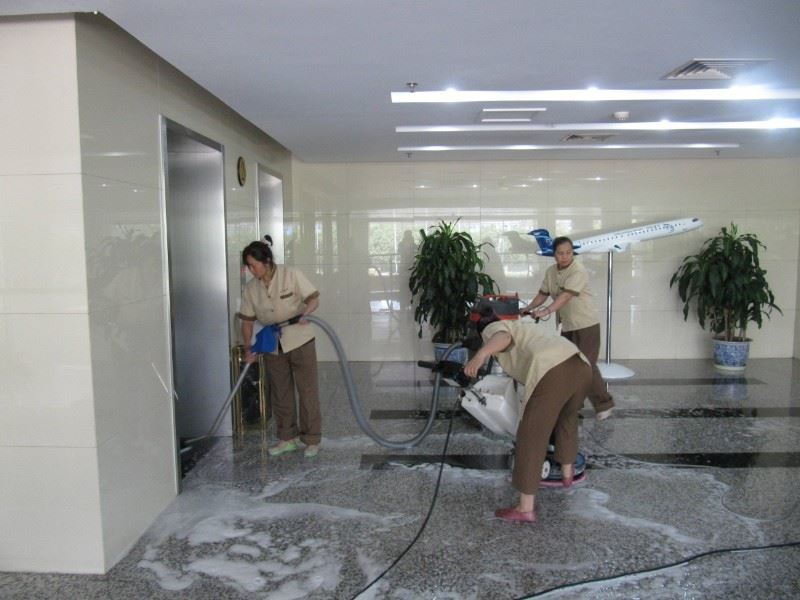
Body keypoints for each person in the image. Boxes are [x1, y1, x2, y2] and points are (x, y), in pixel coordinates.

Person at [464, 302, 592, 523]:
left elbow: (502, 337)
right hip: (581, 366)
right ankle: (567, 476)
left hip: (553, 369)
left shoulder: (494, 327)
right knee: (567, 418)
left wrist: (480, 355)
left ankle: (525, 509)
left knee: (531, 434)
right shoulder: (524, 326)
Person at [239, 237, 322, 458]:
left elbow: (314, 299)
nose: (251, 270)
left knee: (307, 391)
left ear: (266, 261)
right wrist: (248, 348)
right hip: (272, 344)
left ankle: (312, 439)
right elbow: (246, 322)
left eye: (253, 265)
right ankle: (287, 439)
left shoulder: (290, 274)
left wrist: (305, 313)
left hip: (300, 339)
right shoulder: (251, 289)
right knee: (280, 392)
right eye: (248, 266)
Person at [521, 236, 615, 420]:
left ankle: (604, 404)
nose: (564, 257)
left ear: (573, 253)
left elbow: (565, 296)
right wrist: (528, 308)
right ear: (554, 254)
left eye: (568, 253)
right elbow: (543, 294)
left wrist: (546, 311)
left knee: (586, 365)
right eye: (560, 253)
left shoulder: (578, 270)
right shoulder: (551, 271)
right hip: (566, 325)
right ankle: (573, 406)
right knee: (570, 366)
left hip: (586, 324)